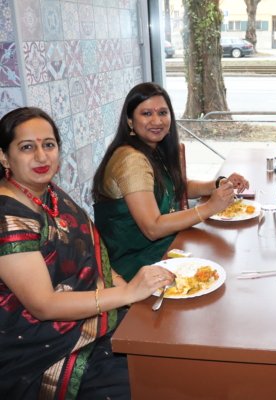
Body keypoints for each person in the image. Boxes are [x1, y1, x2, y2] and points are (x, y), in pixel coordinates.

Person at [0, 107, 176, 399]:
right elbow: (44, 305)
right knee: (149, 382)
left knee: (168, 341)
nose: (42, 157)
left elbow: (96, 260)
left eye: (49, 145)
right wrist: (127, 294)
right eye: (27, 147)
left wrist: (127, 291)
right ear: (4, 157)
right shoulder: (8, 218)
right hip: (44, 348)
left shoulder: (50, 194)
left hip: (93, 316)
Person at [92, 82, 249, 281]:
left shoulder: (154, 148)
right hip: (134, 265)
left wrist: (218, 185)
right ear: (130, 121)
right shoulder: (131, 160)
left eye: (163, 113)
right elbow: (152, 228)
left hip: (162, 247)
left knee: (223, 259)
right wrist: (210, 207)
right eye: (146, 113)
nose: (157, 121)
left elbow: (179, 187)